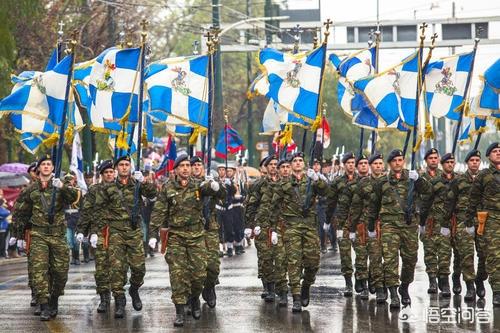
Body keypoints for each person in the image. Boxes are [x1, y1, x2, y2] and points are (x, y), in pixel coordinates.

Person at [150, 154, 223, 327]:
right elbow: (159, 212)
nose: (185, 168)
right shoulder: (167, 188)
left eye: (187, 165)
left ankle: (195, 297)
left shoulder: (199, 186)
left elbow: (221, 194)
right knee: (177, 275)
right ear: (175, 169)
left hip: (197, 237)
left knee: (199, 275)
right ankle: (180, 311)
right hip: (177, 236)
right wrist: (153, 235)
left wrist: (214, 186)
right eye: (181, 165)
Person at [11, 155, 80, 321]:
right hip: (38, 234)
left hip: (57, 234)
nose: (47, 166)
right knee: (38, 271)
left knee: (60, 272)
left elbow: (73, 199)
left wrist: (62, 187)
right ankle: (43, 305)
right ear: (39, 169)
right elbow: (20, 212)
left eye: (49, 164)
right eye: (44, 164)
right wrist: (18, 234)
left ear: (53, 168)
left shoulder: (61, 185)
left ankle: (54, 299)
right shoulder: (31, 189)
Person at [366, 149, 432, 308]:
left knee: (410, 260)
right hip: (389, 226)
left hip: (409, 225)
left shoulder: (412, 178)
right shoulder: (382, 182)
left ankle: (404, 287)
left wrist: (419, 180)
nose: (398, 163)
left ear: (404, 161)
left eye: (400, 160)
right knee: (390, 260)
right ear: (389, 163)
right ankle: (394, 293)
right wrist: (371, 227)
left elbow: (428, 191)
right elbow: (373, 206)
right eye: (394, 160)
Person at [94, 155, 157, 318]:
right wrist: (98, 231)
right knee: (117, 269)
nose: (124, 167)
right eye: (121, 165)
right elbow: (97, 210)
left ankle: (134, 288)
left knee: (139, 268)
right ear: (116, 169)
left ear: (130, 167)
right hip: (116, 232)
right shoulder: (108, 188)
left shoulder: (137, 184)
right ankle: (120, 301)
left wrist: (144, 181)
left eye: (126, 164)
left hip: (134, 231)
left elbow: (153, 195)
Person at [269, 152, 328, 313]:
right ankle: (295, 296)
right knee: (293, 262)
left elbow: (326, 193)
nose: (297, 163)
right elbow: (274, 207)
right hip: (292, 227)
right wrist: (273, 230)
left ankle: (306, 286)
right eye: (294, 161)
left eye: (300, 160)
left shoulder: (312, 181)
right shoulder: (284, 184)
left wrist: (318, 180)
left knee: (313, 263)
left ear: (304, 164)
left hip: (309, 226)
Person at [77, 159, 117, 313]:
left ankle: (119, 297)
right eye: (106, 172)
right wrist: (82, 230)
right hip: (99, 233)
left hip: (119, 233)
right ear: (101, 174)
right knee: (101, 268)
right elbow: (86, 211)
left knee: (118, 269)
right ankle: (104, 298)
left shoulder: (120, 188)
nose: (109, 174)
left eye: (111, 172)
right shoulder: (94, 190)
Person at [443, 150, 482, 301]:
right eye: (471, 160)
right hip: (462, 221)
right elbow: (449, 203)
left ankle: (480, 279)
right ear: (467, 163)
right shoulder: (458, 181)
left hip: (483, 222)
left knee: (485, 255)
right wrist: (445, 224)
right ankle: (470, 286)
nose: (474, 162)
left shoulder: (485, 178)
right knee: (466, 255)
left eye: (477, 160)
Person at [466, 142, 500, 306]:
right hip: (492, 219)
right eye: (494, 151)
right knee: (493, 256)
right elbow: (473, 200)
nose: (498, 153)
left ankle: (482, 278)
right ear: (489, 156)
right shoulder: (484, 175)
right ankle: (497, 291)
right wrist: (469, 222)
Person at [350, 153, 386, 303]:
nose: (378, 166)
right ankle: (366, 284)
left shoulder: (389, 182)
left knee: (382, 257)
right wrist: (352, 228)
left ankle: (378, 283)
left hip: (384, 225)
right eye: (375, 164)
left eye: (380, 163)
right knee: (364, 256)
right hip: (365, 225)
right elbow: (355, 207)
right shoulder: (363, 184)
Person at [326, 152, 357, 297]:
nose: (351, 165)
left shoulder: (363, 180)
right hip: (342, 222)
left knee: (362, 253)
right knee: (345, 254)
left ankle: (361, 281)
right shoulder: (337, 182)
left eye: (353, 162)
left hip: (359, 222)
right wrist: (327, 220)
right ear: (344, 165)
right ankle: (348, 283)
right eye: (348, 162)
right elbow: (331, 202)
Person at [420, 148, 443, 294]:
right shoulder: (419, 178)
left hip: (443, 220)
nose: (433, 160)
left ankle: (444, 279)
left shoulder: (446, 176)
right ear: (426, 161)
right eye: (430, 158)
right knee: (429, 252)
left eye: (435, 157)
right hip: (427, 220)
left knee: (444, 252)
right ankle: (432, 280)